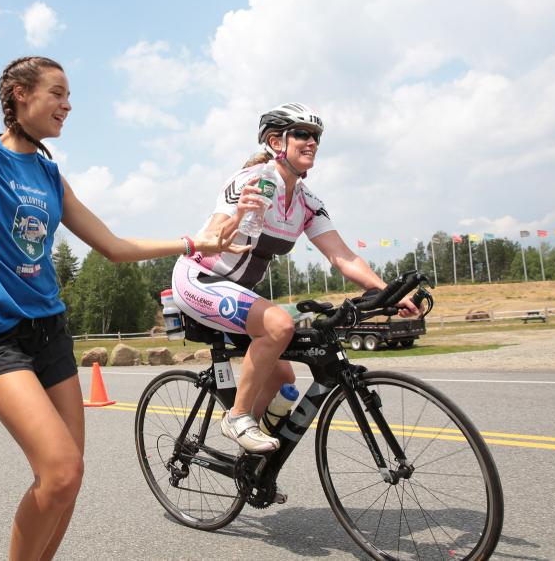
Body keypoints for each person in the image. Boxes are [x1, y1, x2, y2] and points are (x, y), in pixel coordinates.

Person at [0, 56, 245, 560]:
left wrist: (194, 243)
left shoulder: (50, 174)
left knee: (67, 482)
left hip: (50, 332)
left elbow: (114, 246)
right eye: (57, 93)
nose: (68, 105)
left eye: (69, 96)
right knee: (60, 471)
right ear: (19, 94)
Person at [172, 102, 419, 455]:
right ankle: (237, 418)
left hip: (236, 291)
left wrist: (387, 292)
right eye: (302, 134)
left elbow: (343, 256)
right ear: (276, 142)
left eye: (316, 136)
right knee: (278, 324)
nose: (312, 142)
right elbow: (211, 234)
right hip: (199, 278)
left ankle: (248, 463)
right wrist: (239, 214)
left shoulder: (307, 203)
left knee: (283, 378)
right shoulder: (250, 182)